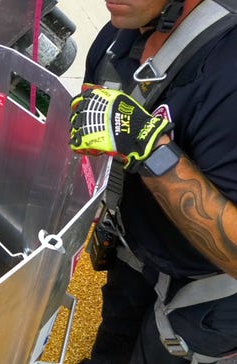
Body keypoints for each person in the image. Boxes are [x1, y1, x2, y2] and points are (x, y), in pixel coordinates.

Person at [68, 0, 237, 362]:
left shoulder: (227, 77)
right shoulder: (120, 35)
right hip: (135, 249)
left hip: (207, 293)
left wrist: (149, 148)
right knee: (112, 341)